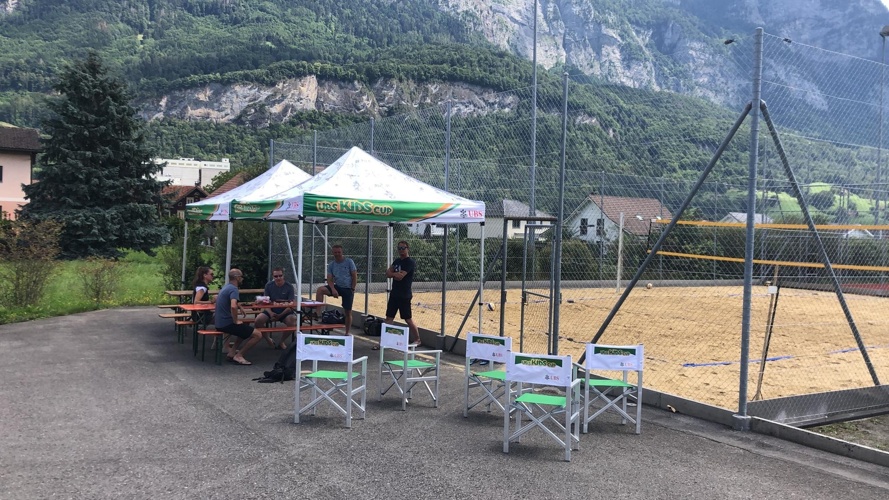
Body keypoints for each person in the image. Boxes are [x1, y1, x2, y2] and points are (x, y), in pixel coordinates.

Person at [373, 240, 419, 350]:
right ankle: (382, 343)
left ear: (408, 249)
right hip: (394, 294)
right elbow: (388, 273)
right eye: (399, 248)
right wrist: (394, 274)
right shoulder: (397, 261)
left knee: (408, 319)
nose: (401, 250)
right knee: (388, 318)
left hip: (404, 295)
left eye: (403, 248)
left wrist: (393, 274)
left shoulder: (409, 262)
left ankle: (417, 339)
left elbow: (400, 276)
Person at [214, 268, 262, 365]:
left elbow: (232, 302)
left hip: (219, 322)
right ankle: (239, 355)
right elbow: (233, 305)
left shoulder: (226, 287)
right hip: (226, 323)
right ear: (237, 277)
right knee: (258, 335)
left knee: (244, 328)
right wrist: (235, 320)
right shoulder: (234, 289)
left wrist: (239, 306)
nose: (242, 279)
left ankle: (232, 353)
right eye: (241, 277)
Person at [315, 244, 358, 334]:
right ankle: (317, 313)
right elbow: (329, 279)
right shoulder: (331, 265)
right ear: (332, 253)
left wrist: (352, 289)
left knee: (347, 312)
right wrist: (333, 289)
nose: (337, 254)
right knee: (320, 290)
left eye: (339, 252)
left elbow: (354, 276)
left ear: (342, 252)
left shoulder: (349, 262)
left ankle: (347, 332)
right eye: (335, 252)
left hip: (347, 288)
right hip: (337, 286)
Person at [255, 267, 297, 349]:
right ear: (273, 277)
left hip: (285, 311)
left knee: (293, 321)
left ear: (283, 276)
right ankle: (268, 339)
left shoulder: (289, 286)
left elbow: (291, 305)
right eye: (276, 276)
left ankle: (281, 341)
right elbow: (265, 301)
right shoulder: (269, 285)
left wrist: (280, 315)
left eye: (280, 276)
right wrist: (270, 313)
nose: (278, 278)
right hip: (271, 310)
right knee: (258, 320)